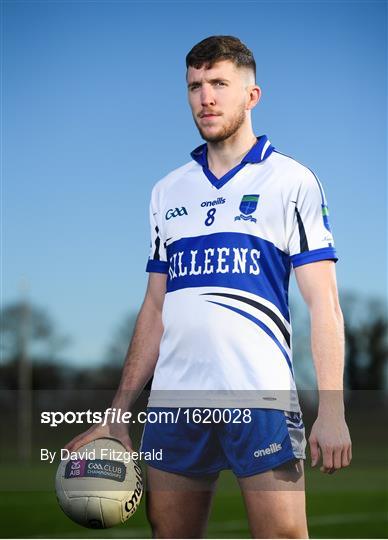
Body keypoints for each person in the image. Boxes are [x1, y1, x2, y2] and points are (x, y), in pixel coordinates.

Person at [66, 35, 352, 538]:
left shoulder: (292, 182)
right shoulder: (166, 191)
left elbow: (324, 304)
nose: (206, 98)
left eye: (219, 83)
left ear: (251, 96)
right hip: (175, 401)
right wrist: (116, 413)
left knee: (284, 535)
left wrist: (331, 409)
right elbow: (155, 308)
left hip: (260, 398)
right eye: (195, 86)